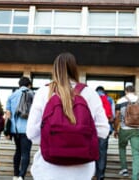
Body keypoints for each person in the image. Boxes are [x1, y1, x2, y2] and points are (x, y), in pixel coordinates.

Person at [26, 52, 109, 180]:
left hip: (48, 169)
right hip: (82, 170)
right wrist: (80, 140)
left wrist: (54, 142)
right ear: (75, 69)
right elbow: (104, 131)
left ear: (55, 70)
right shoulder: (90, 93)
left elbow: (31, 132)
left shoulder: (44, 92)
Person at [113, 85, 139, 180]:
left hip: (124, 129)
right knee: (136, 153)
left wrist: (116, 129)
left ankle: (124, 169)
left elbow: (116, 116)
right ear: (134, 91)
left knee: (122, 147)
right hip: (137, 130)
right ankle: (135, 177)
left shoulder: (120, 101)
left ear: (126, 91)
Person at [5, 76, 34, 180]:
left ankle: (15, 174)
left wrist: (7, 131)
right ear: (29, 85)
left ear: (19, 85)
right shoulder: (32, 94)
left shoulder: (12, 96)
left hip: (15, 129)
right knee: (26, 153)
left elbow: (8, 114)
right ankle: (21, 176)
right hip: (27, 129)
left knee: (18, 151)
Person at [95, 86, 115, 180]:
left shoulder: (92, 97)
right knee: (102, 152)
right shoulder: (109, 99)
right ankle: (101, 174)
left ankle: (93, 172)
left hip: (92, 130)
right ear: (104, 91)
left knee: (92, 150)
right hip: (104, 129)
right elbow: (113, 116)